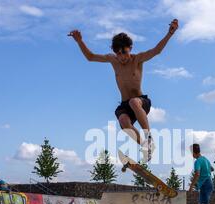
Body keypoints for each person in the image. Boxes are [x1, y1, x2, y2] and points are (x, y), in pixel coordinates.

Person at [68, 19, 179, 163]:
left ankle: (149, 137)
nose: (121, 57)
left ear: (130, 48)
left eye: (124, 52)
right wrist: (79, 41)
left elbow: (156, 50)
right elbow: (90, 57)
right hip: (125, 104)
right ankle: (146, 147)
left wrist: (169, 33)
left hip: (141, 102)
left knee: (134, 101)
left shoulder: (138, 59)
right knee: (123, 121)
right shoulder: (112, 60)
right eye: (118, 53)